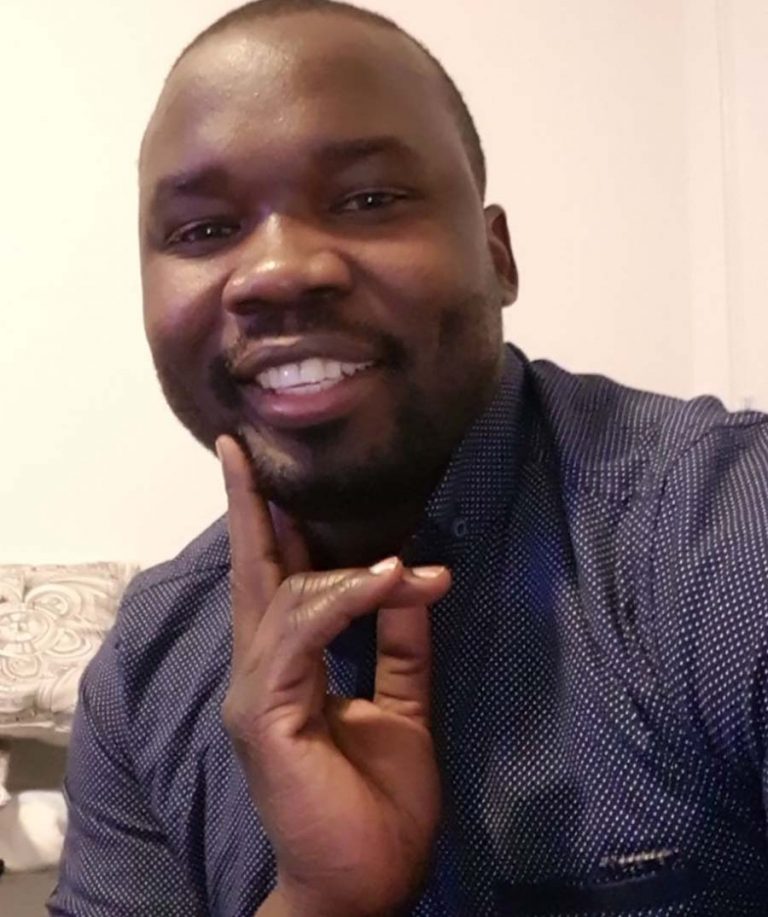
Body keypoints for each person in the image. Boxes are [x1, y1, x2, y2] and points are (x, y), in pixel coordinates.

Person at [50, 1, 768, 915]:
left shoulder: (723, 537)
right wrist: (319, 897)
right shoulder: (146, 671)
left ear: (498, 256)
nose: (276, 271)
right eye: (202, 230)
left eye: (369, 200)